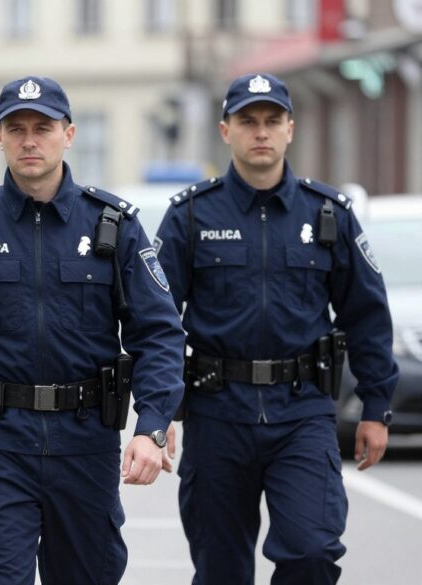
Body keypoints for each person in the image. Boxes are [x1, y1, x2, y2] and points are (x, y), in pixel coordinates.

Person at [0, 76, 185, 584]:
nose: (30, 140)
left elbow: (158, 333)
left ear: (68, 134)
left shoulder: (113, 226)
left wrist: (152, 424)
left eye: (42, 128)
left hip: (85, 446)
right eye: (16, 128)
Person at [154, 73, 399, 584]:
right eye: (248, 121)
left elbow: (367, 315)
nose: (260, 132)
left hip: (302, 412)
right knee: (221, 570)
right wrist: (155, 415)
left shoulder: (328, 213)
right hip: (217, 412)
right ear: (226, 131)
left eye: (272, 121)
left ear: (291, 128)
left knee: (311, 551)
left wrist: (377, 406)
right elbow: (155, 321)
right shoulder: (191, 216)